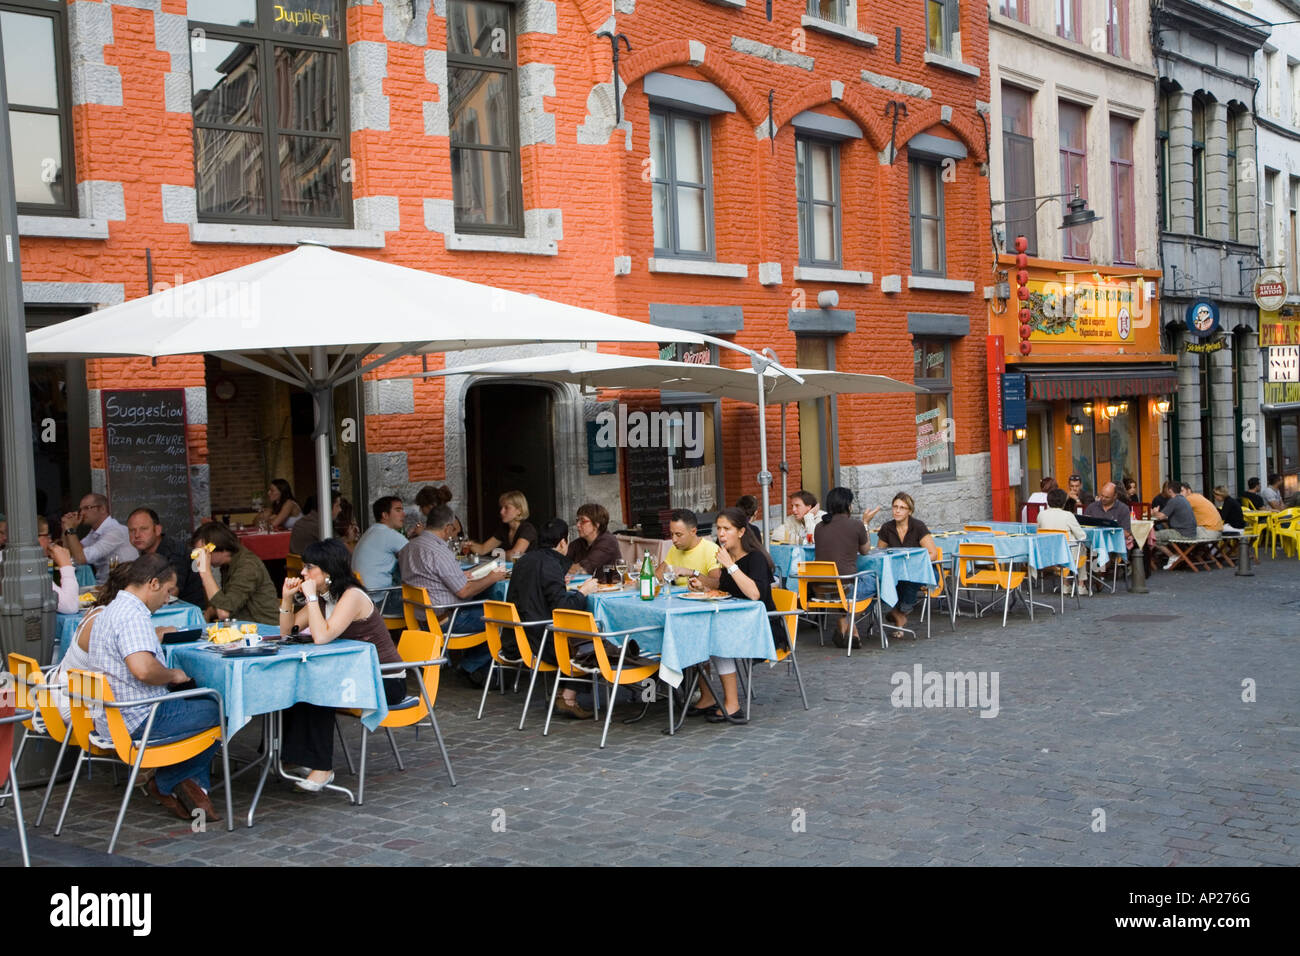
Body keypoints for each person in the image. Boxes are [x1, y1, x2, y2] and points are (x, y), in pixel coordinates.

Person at [87, 553, 220, 822]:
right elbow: (144, 669)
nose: (168, 599)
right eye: (168, 591)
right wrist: (172, 674)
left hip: (113, 717)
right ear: (153, 584)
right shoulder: (132, 615)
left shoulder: (111, 609)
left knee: (197, 704)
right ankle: (167, 781)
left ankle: (196, 793)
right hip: (138, 719)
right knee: (222, 708)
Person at [278, 539, 407, 792]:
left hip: (385, 679)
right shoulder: (325, 598)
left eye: (309, 567)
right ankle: (300, 758)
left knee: (318, 690)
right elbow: (287, 634)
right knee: (296, 685)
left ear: (328, 571)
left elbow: (322, 637)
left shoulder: (352, 596)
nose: (303, 573)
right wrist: (286, 599)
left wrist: (312, 598)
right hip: (354, 675)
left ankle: (323, 768)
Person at [686, 507, 781, 725]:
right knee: (697, 632)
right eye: (718, 528)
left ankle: (732, 704)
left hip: (762, 625)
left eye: (726, 529)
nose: (721, 533)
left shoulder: (755, 558)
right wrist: (701, 583)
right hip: (734, 621)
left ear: (740, 532)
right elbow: (724, 587)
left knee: (718, 639)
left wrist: (730, 565)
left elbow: (754, 594)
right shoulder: (729, 557)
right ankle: (708, 695)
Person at [398, 504, 506, 686]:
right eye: (453, 529)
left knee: (484, 607)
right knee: (501, 617)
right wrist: (492, 577)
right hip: (447, 620)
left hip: (422, 617)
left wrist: (459, 575)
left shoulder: (409, 547)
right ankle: (472, 666)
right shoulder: (439, 551)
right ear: (447, 528)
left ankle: (475, 667)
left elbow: (427, 576)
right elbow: (464, 592)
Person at [503, 518, 599, 719]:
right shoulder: (551, 564)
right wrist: (583, 591)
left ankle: (559, 693)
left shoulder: (525, 560)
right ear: (563, 542)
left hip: (515, 637)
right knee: (590, 643)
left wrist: (558, 583)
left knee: (574, 635)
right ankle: (568, 698)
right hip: (538, 641)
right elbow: (563, 609)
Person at [813, 486, 881, 648]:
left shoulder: (818, 527)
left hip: (820, 588)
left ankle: (849, 627)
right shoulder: (855, 525)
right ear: (848, 505)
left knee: (846, 588)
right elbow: (865, 551)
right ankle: (846, 621)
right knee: (876, 581)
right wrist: (865, 523)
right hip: (845, 587)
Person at [873, 493, 941, 635]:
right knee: (884, 579)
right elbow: (880, 554)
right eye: (895, 507)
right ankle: (897, 614)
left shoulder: (918, 526)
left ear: (909, 511)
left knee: (910, 577)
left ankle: (902, 612)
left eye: (902, 508)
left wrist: (913, 563)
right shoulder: (887, 528)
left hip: (924, 571)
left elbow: (933, 554)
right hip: (896, 572)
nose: (897, 511)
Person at [191, 522, 279, 625]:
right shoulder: (228, 564)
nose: (201, 557)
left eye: (203, 553)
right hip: (242, 626)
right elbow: (225, 601)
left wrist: (205, 573)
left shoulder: (247, 566)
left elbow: (223, 612)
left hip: (264, 629)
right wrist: (209, 612)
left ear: (219, 547)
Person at [126, 507, 204, 608]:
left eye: (143, 529)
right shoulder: (146, 553)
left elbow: (172, 591)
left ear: (158, 530)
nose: (136, 535)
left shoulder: (175, 552)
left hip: (185, 615)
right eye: (132, 530)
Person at [60, 493, 137, 583]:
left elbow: (82, 558)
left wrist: (70, 529)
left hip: (124, 586)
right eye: (80, 509)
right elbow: (70, 554)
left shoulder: (115, 531)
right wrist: (65, 528)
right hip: (106, 585)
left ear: (102, 509)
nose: (82, 513)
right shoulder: (95, 532)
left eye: (87, 508)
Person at [351, 496, 408, 614]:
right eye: (398, 510)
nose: (404, 514)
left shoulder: (372, 531)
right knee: (426, 597)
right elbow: (420, 556)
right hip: (379, 601)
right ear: (385, 515)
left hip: (363, 598)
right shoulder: (388, 534)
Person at [465, 491, 537, 559]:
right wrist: (466, 544)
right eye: (501, 508)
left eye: (506, 508)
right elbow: (483, 549)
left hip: (529, 571)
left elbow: (514, 555)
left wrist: (498, 554)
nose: (501, 512)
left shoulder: (527, 529)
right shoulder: (504, 528)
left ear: (519, 510)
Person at [656, 509, 721, 584]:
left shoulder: (711, 549)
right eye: (671, 534)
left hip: (702, 595)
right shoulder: (675, 548)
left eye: (678, 535)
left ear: (693, 532)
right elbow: (657, 577)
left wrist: (693, 573)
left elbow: (717, 584)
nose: (674, 540)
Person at [1151, 483, 1209, 568]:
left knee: (1152, 536)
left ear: (1170, 490)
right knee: (1161, 535)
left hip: (1182, 533)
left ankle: (1172, 557)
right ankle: (1176, 556)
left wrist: (1154, 512)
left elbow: (1161, 516)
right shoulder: (1183, 499)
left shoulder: (1174, 500)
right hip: (1191, 532)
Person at [566, 503, 622, 576]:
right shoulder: (578, 543)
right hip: (582, 585)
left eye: (583, 521)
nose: (578, 525)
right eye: (577, 520)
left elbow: (584, 569)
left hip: (609, 585)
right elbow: (560, 564)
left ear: (597, 524)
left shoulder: (608, 541)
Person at [38, 517, 80, 614]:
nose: (50, 540)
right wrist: (66, 565)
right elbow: (70, 607)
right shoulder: (29, 567)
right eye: (47, 536)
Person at [1084, 482, 1135, 551]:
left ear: (1115, 496)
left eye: (1107, 497)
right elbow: (1084, 527)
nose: (1103, 499)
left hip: (1114, 544)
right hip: (1093, 543)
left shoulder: (1123, 509)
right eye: (1102, 495)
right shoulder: (1092, 507)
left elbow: (1126, 532)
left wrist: (1109, 536)